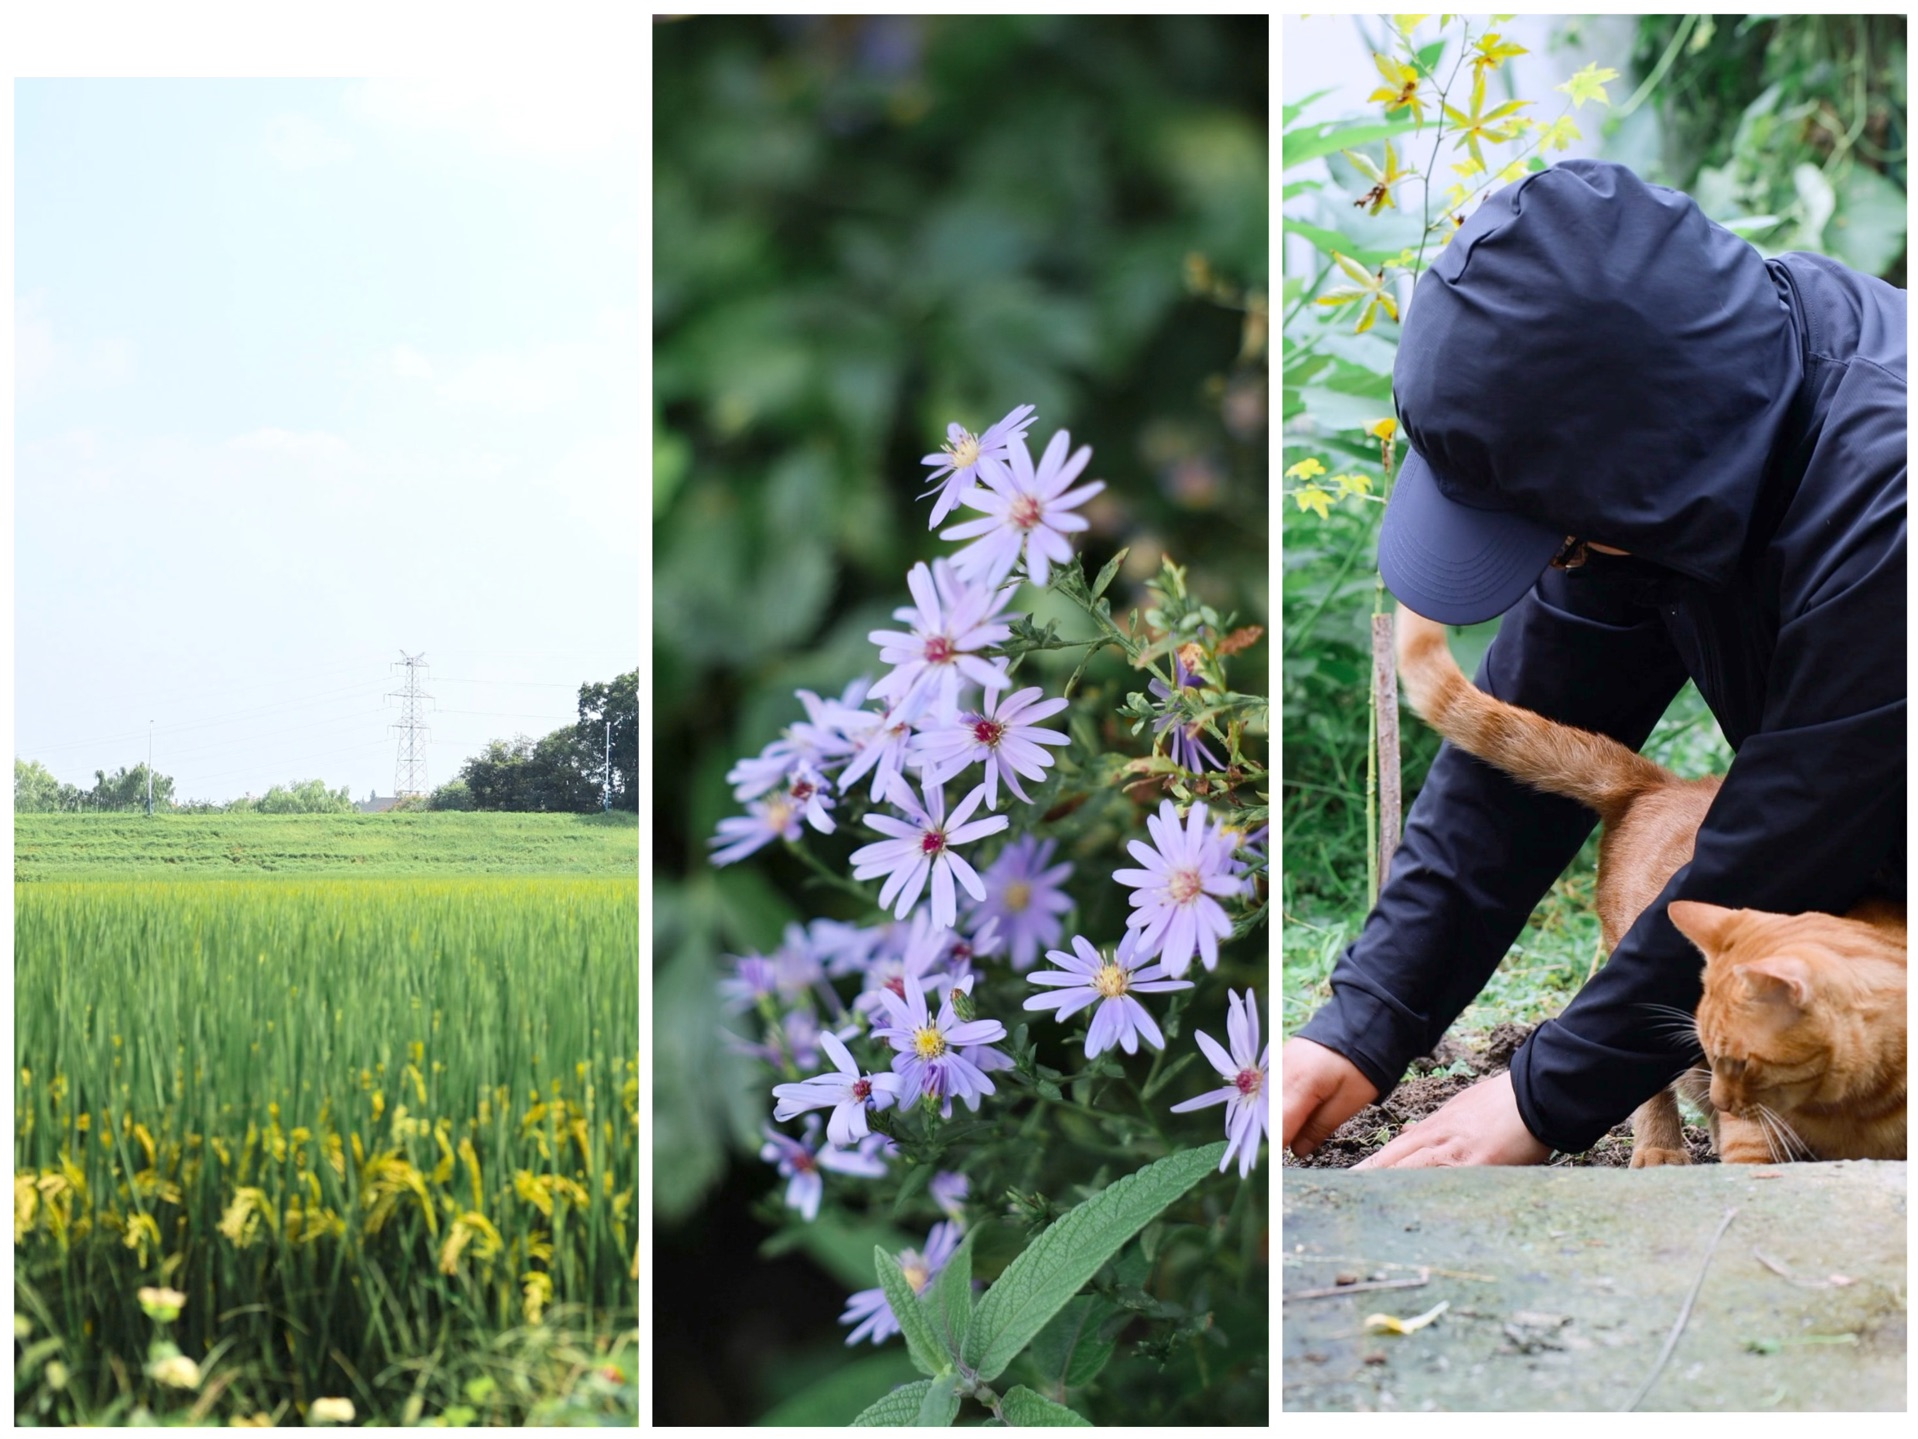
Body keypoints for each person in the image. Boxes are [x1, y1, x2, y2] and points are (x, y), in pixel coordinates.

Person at [1283, 158, 1906, 1168]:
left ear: (1653, 471)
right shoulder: (1684, 445)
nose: (1563, 564)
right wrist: (1359, 1023)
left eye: (1561, 545)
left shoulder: (1888, 497)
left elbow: (1794, 830)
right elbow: (1513, 762)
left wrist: (1540, 1093)